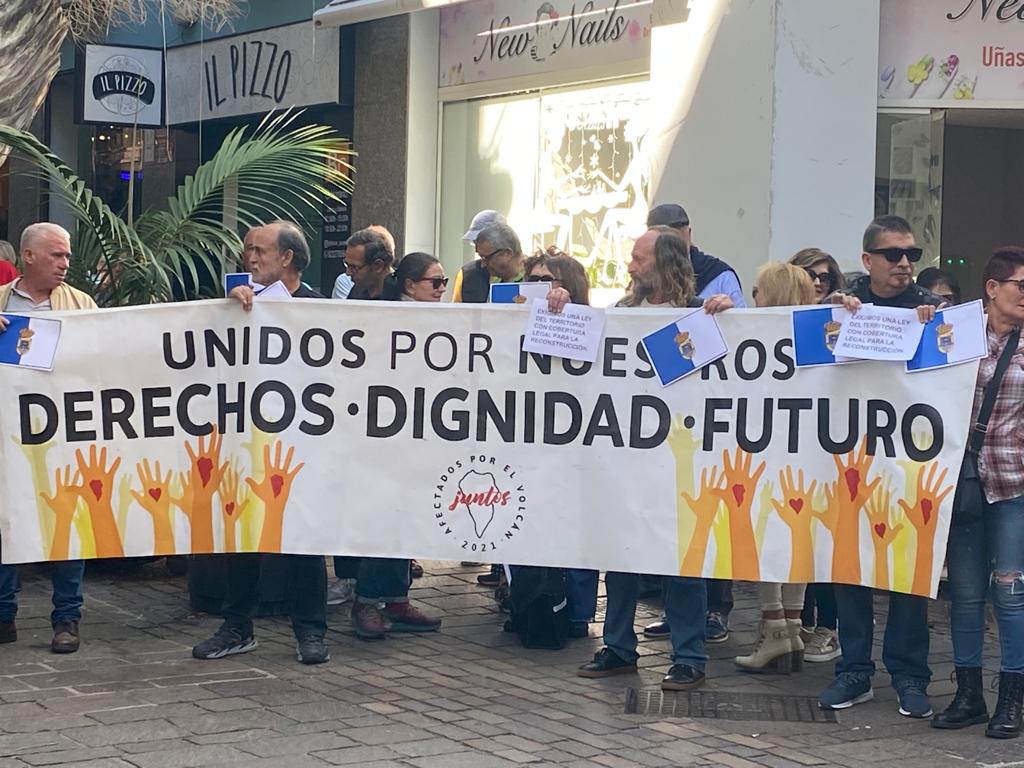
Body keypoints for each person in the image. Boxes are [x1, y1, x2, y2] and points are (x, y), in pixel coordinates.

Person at [578, 226, 732, 691]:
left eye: (639, 259)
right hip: (625, 456)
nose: (630, 267)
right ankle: (620, 647)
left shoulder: (698, 317)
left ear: (666, 263)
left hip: (678, 460)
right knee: (620, 553)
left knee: (680, 561)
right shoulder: (621, 316)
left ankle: (689, 656)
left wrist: (732, 318)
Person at [819, 215, 943, 717]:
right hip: (850, 463)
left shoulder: (930, 311)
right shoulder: (845, 306)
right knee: (850, 569)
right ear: (867, 260)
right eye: (893, 254)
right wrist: (831, 309)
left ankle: (910, 676)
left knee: (905, 575)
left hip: (909, 465)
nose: (905, 263)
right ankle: (854, 671)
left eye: (911, 254)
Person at [193, 221, 329, 665]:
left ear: (286, 258)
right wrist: (228, 311)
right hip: (244, 444)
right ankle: (238, 626)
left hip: (300, 447)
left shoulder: (320, 309)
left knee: (302, 538)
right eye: (247, 250)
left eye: (258, 250)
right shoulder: (237, 304)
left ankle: (310, 629)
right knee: (240, 534)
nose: (248, 257)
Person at [932, 246, 1024, 739]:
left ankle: (1012, 698)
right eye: (1021, 286)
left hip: (1014, 485)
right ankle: (968, 693)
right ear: (992, 288)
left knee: (1009, 594)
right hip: (962, 485)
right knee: (964, 595)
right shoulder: (954, 331)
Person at [0, 223, 98, 654]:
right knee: (5, 522)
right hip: (7, 435)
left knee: (66, 524)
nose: (65, 264)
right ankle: (3, 615)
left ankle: (67, 618)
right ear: (30, 256)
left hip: (63, 433)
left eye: (67, 256)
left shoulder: (82, 303)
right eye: (56, 255)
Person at [348, 248, 445, 640]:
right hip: (383, 428)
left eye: (444, 281)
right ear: (409, 285)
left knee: (406, 513)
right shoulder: (384, 312)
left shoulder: (445, 319)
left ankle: (396, 599)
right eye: (435, 282)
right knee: (382, 513)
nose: (442, 289)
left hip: (421, 426)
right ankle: (367, 601)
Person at [732, 263, 815, 673]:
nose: (753, 298)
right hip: (805, 456)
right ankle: (792, 629)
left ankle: (776, 629)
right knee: (796, 538)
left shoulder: (758, 337)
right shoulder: (817, 335)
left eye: (758, 290)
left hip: (768, 452)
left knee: (766, 536)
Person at [523, 250, 596, 638]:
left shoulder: (589, 322)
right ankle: (529, 600)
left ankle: (578, 613)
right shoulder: (516, 316)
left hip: (576, 442)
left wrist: (568, 312)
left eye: (547, 280)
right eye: (532, 279)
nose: (540, 288)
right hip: (528, 438)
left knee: (578, 527)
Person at [646, 203, 746, 307]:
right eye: (664, 244)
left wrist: (729, 312)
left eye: (678, 240)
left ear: (689, 235)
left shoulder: (721, 277)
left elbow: (741, 321)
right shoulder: (645, 278)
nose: (672, 249)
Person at [452, 221, 524, 303]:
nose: (483, 265)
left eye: (486, 258)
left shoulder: (536, 278)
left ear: (507, 253)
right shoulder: (472, 277)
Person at [332, 225, 396, 299]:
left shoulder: (401, 295)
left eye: (354, 267)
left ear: (378, 266)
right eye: (347, 265)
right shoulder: (357, 291)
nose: (348, 273)